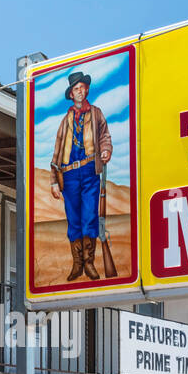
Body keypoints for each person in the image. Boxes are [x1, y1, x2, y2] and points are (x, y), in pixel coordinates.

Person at [49, 70, 112, 282]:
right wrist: (53, 180)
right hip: (68, 174)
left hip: (89, 170)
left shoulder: (95, 113)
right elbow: (57, 150)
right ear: (71, 93)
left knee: (90, 217)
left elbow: (104, 135)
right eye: (76, 88)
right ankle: (77, 265)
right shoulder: (66, 119)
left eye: (83, 87)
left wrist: (105, 150)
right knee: (73, 220)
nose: (80, 91)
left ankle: (90, 263)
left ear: (86, 90)